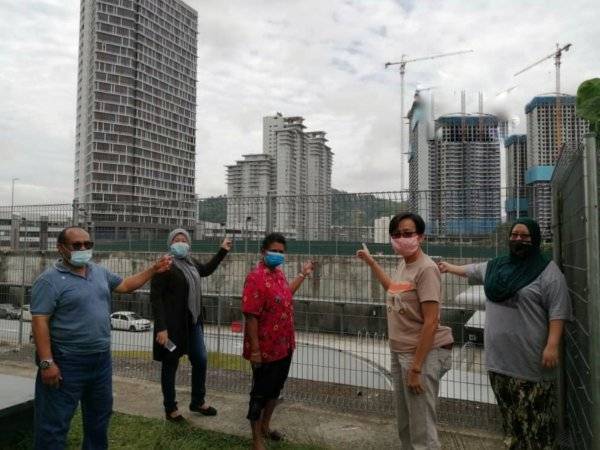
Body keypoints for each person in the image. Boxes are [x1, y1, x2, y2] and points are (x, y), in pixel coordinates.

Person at [31, 226, 172, 450]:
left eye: (88, 244)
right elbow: (40, 321)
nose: (84, 249)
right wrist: (47, 362)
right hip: (66, 361)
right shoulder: (48, 281)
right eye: (77, 245)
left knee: (98, 421)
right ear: (61, 248)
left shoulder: (98, 272)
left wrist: (153, 269)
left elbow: (125, 285)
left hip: (100, 362)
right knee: (53, 427)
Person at [438, 218, 571, 449]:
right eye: (514, 235)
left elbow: (558, 311)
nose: (518, 239)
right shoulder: (496, 266)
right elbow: (470, 270)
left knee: (537, 424)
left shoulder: (548, 272)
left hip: (530, 363)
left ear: (535, 239)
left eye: (525, 236)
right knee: (511, 419)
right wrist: (448, 267)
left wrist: (552, 345)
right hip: (498, 361)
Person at [356, 212, 453, 449]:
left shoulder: (426, 269)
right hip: (401, 352)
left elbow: (431, 321)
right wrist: (372, 262)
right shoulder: (404, 263)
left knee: (422, 427)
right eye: (397, 234)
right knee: (406, 423)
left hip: (420, 354)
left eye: (408, 233)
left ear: (421, 236)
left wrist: (416, 368)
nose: (402, 238)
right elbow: (393, 287)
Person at [150, 228, 231, 422]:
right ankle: (170, 408)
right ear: (170, 244)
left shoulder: (191, 263)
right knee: (170, 365)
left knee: (201, 359)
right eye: (176, 239)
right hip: (172, 328)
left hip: (193, 323)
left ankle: (197, 401)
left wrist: (222, 251)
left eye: (183, 239)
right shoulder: (165, 265)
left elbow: (207, 270)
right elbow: (156, 298)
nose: (180, 242)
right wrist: (161, 327)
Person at [241, 232, 314, 450]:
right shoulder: (255, 278)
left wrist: (302, 274)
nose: (277, 255)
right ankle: (256, 440)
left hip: (284, 344)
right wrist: (255, 350)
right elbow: (250, 315)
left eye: (281, 252)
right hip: (264, 348)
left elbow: (286, 295)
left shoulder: (279, 275)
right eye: (273, 251)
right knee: (260, 394)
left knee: (275, 390)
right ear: (263, 252)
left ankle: (266, 426)